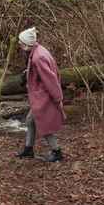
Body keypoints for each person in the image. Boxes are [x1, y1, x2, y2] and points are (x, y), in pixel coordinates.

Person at [15, 27, 65, 162]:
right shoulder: (37, 50)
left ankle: (57, 152)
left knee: (43, 123)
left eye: (21, 42)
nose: (19, 44)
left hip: (44, 96)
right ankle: (28, 149)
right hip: (42, 95)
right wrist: (27, 73)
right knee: (30, 120)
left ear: (27, 44)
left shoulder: (38, 58)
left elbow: (50, 80)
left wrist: (58, 98)